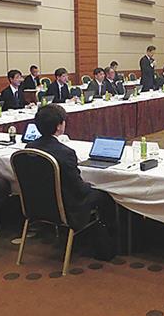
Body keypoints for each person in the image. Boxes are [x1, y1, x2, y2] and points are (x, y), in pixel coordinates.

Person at [26, 104, 116, 260]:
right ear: (59, 126)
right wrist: (90, 186)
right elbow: (79, 190)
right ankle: (107, 245)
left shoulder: (29, 148)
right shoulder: (65, 153)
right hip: (67, 207)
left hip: (37, 205)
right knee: (104, 196)